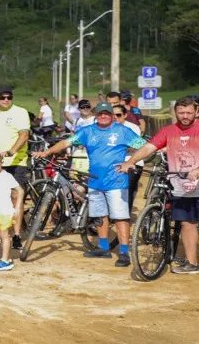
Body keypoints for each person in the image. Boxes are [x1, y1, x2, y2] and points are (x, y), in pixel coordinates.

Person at [35, 102, 145, 267]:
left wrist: (131, 161)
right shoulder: (87, 131)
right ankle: (103, 248)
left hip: (116, 182)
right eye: (100, 113)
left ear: (112, 115)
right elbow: (66, 143)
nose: (103, 116)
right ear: (96, 115)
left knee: (120, 217)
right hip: (94, 181)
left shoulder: (122, 131)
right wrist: (47, 152)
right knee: (100, 216)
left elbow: (144, 146)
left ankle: (124, 252)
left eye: (106, 113)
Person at [118, 96, 199, 274]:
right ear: (175, 112)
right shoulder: (169, 131)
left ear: (196, 112)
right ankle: (192, 263)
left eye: (189, 112)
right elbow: (149, 147)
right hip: (182, 185)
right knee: (187, 223)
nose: (185, 116)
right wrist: (131, 161)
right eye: (181, 112)